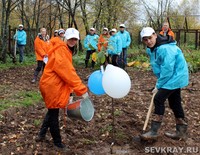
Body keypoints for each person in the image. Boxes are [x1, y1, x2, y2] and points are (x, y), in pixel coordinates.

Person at [36, 28, 89, 150]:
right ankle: (58, 143)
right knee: (54, 114)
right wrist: (82, 90)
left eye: (75, 39)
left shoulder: (65, 49)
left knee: (52, 111)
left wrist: (70, 91)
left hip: (54, 84)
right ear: (65, 38)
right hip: (52, 86)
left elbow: (66, 74)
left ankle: (41, 134)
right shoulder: (61, 50)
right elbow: (68, 73)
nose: (73, 41)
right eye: (71, 38)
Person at [140, 27, 189, 141]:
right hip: (171, 77)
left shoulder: (165, 48)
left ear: (155, 35)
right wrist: (159, 82)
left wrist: (158, 85)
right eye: (145, 39)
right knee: (174, 101)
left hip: (175, 76)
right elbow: (158, 65)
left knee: (158, 99)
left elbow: (167, 69)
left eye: (150, 38)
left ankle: (154, 131)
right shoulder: (152, 49)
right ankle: (181, 131)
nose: (148, 41)